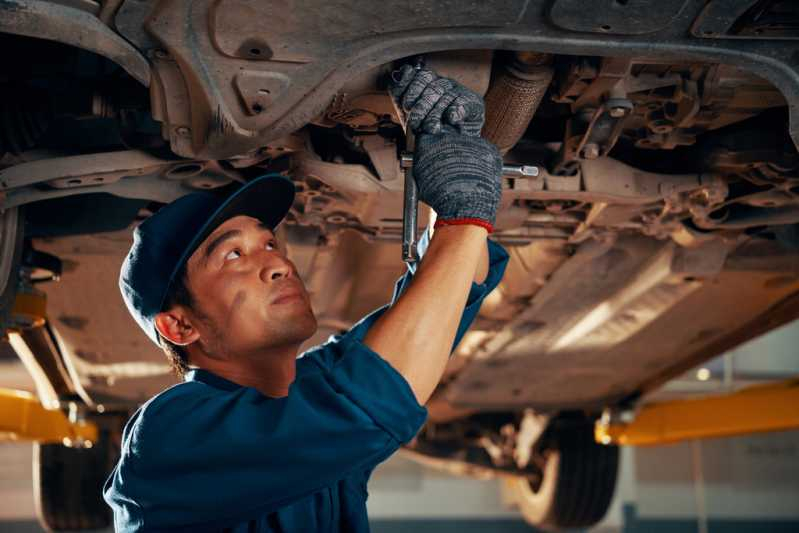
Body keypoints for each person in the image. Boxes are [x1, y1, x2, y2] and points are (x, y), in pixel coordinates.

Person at [103, 65, 509, 532]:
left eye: (270, 243)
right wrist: (462, 218)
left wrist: (454, 149)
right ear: (180, 327)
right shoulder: (168, 438)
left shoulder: (313, 396)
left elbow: (445, 306)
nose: (278, 264)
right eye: (233, 254)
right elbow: (376, 394)